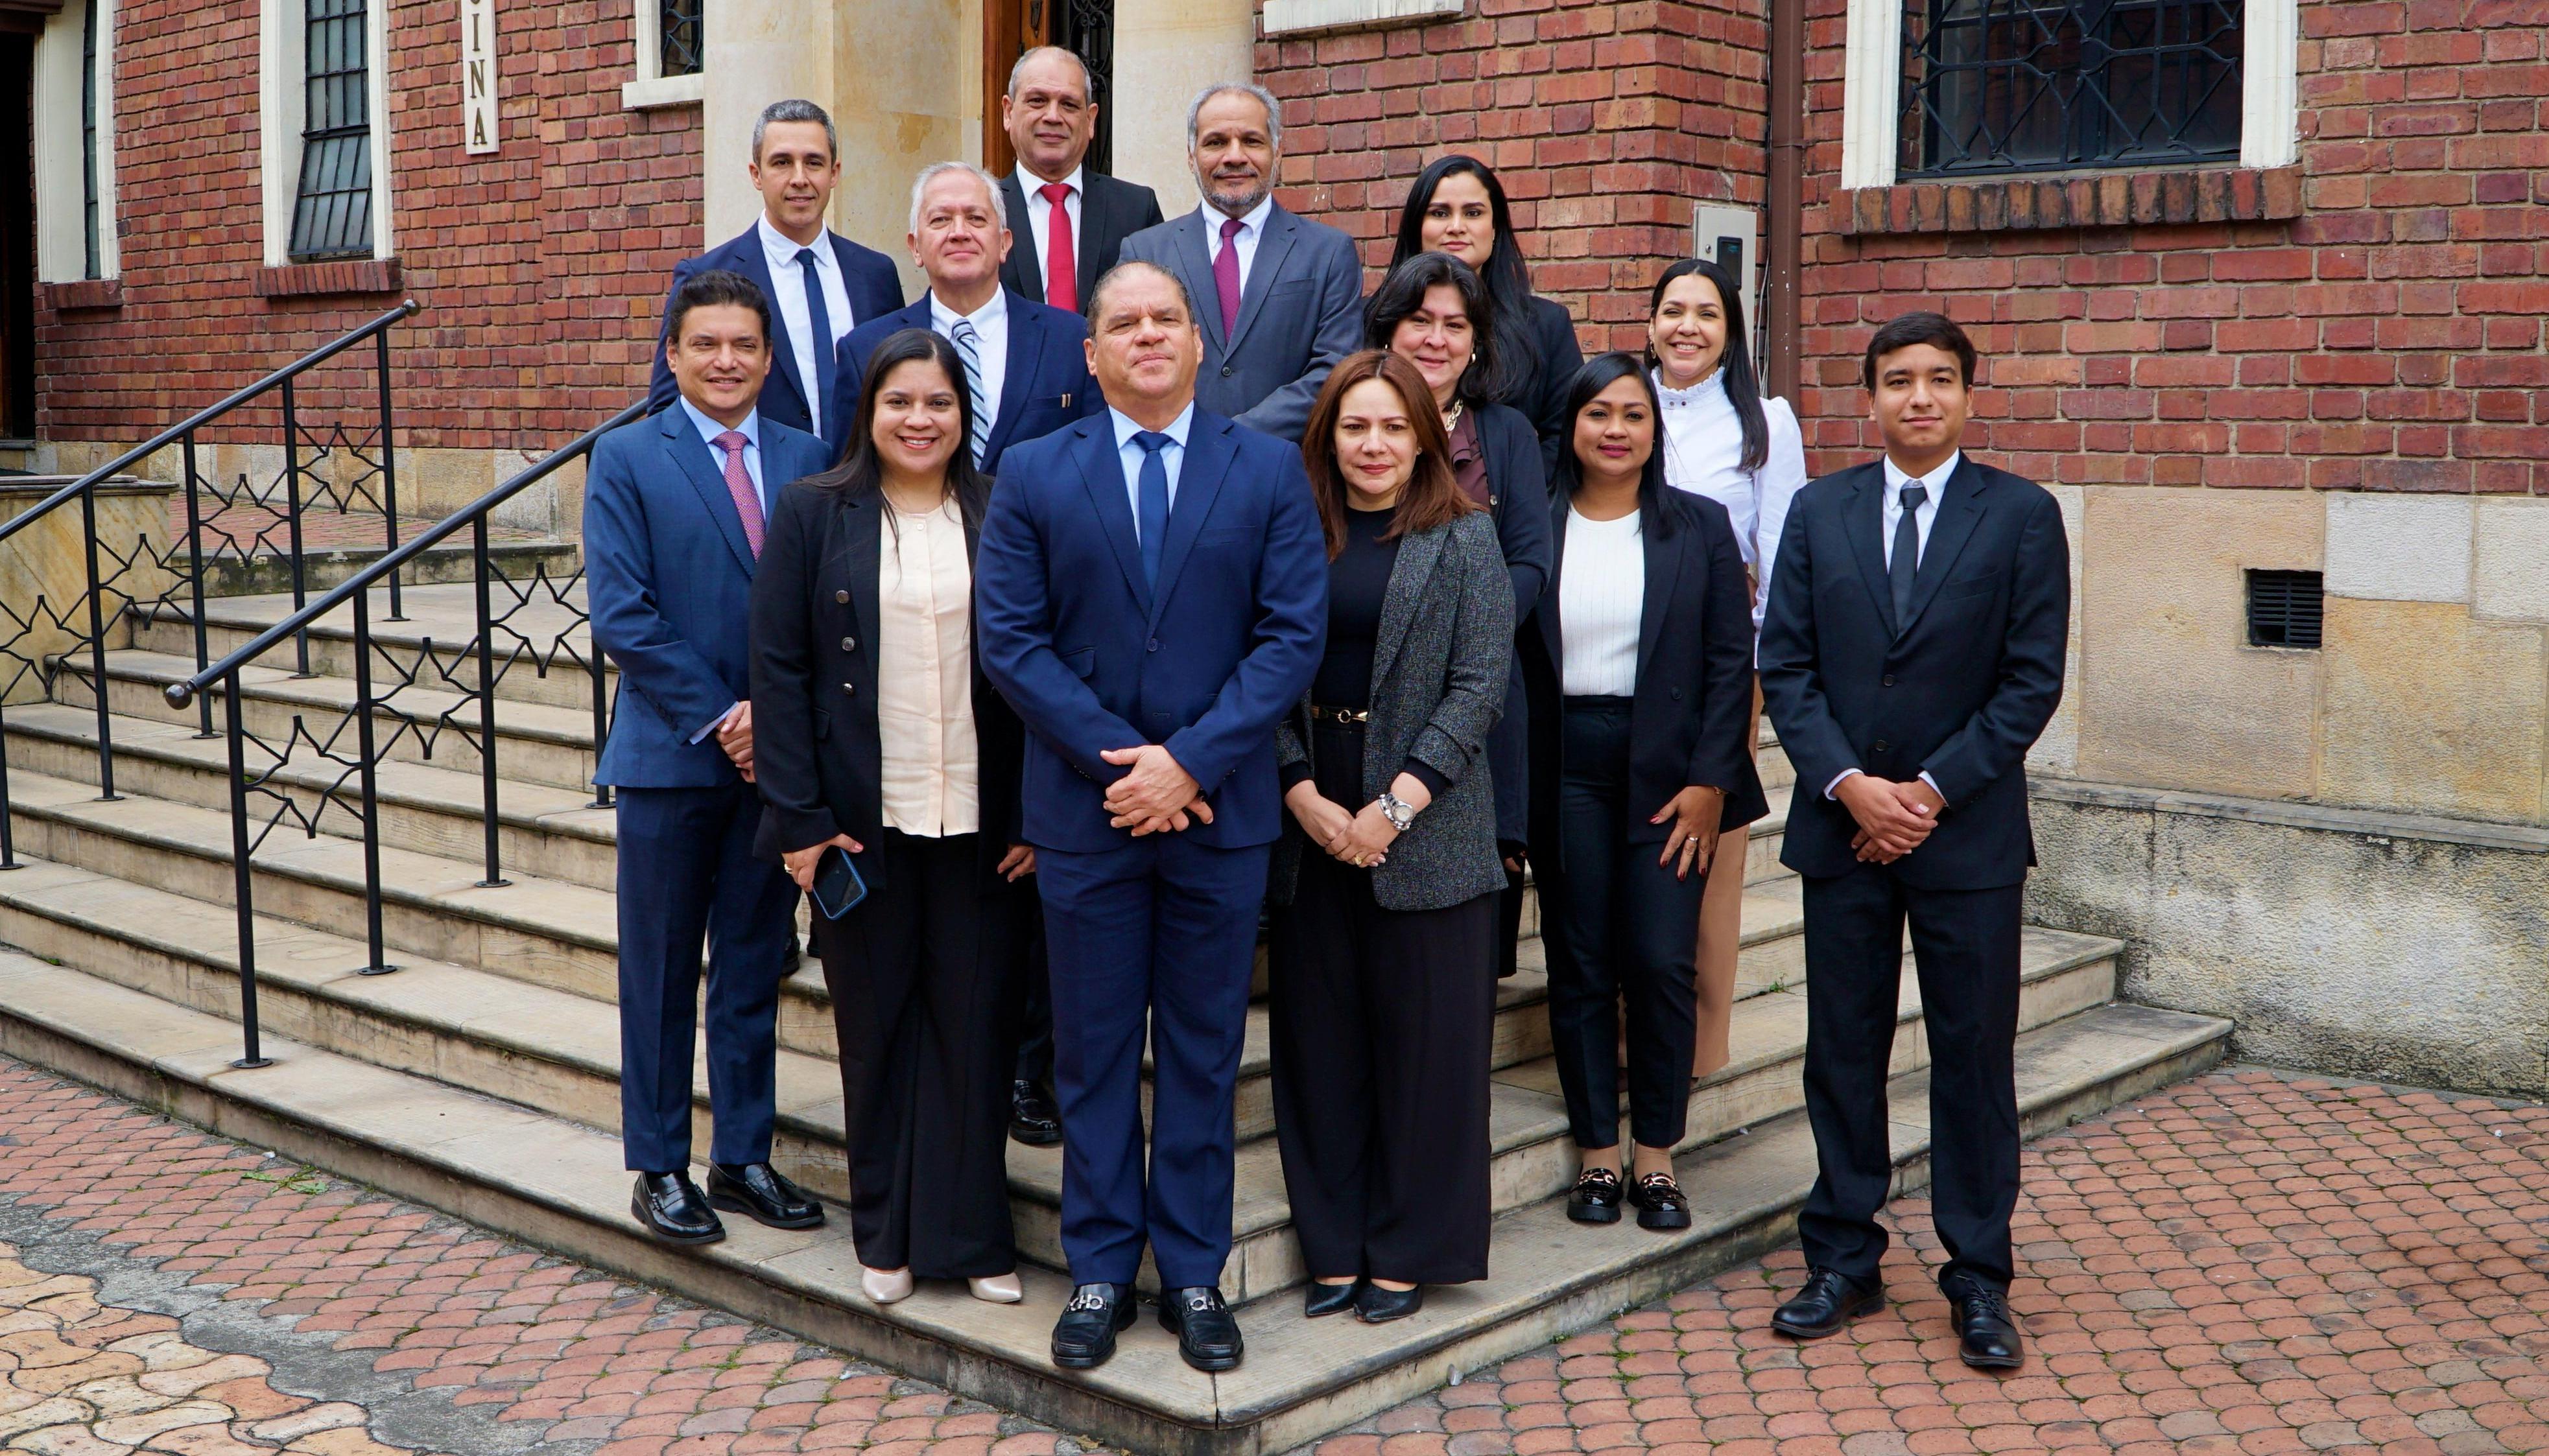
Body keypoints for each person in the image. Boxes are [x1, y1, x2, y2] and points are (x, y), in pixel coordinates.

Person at [975, 260, 1327, 1374]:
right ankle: (1097, 1268)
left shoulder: (1266, 468)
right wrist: (1124, 766)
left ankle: (1190, 1271)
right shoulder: (1034, 470)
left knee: (1202, 1051)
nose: (1145, 336)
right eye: (1122, 323)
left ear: (1195, 341)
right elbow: (1011, 640)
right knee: (1089, 1055)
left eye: (1164, 319)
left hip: (1218, 816)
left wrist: (1189, 763)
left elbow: (1290, 636)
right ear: (1091, 353)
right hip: (1087, 819)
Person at [1757, 312, 2069, 1372]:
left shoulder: (2020, 517)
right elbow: (1785, 666)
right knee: (1842, 1051)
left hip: (1965, 837)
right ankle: (1842, 1257)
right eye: (1897, 380)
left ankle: (1977, 1273)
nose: (1918, 397)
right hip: (1841, 831)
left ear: (1970, 394)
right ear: (1870, 397)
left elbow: (2029, 681)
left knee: (1971, 1057)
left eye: (1939, 378)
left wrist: (1926, 792)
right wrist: (1850, 787)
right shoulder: (1818, 510)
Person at [750, 328, 1037, 1307]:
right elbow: (778, 671)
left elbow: (1039, 666)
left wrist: (1033, 813)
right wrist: (798, 821)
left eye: (938, 403)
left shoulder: (1002, 509)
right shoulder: (811, 510)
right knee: (876, 1033)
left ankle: (974, 1238)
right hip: (857, 827)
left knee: (976, 1030)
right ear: (868, 413)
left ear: (965, 415)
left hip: (983, 823)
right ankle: (885, 1233)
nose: (920, 420)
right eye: (899, 402)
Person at [587, 269, 835, 1245]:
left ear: (768, 359)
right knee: (658, 971)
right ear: (674, 355)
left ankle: (742, 1156)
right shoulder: (626, 455)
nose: (726, 361)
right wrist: (727, 716)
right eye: (706, 344)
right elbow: (624, 614)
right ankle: (658, 1165)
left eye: (743, 345)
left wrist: (778, 723)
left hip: (775, 769)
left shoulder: (809, 456)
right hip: (671, 758)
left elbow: (828, 603)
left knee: (750, 963)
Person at [1267, 351, 1512, 1324]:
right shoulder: (1289, 532)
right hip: (1309, 810)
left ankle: (1407, 1249)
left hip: (1428, 814)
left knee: (1426, 1054)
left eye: (1392, 426)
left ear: (1425, 437)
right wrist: (1297, 790)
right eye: (1354, 426)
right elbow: (1256, 668)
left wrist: (1394, 808)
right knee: (1318, 1046)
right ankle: (1332, 1244)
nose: (1373, 444)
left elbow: (1478, 686)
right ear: (1327, 435)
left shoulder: (1466, 535)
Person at [1521, 353, 1764, 1235]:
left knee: (1661, 961)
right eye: (1599, 413)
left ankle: (1656, 1156)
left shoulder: (1697, 525)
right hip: (1564, 765)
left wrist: (1710, 781)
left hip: (1670, 771)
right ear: (1572, 428)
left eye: (1633, 414)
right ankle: (1597, 1152)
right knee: (1580, 960)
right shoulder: (1534, 523)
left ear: (1655, 431)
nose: (1615, 429)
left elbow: (1729, 661)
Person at [1362, 252, 1552, 980]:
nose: (1436, 339)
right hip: (1363, 688)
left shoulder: (1506, 433)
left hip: (1478, 691)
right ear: (1388, 329)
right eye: (1420, 321)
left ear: (1476, 342)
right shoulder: (1352, 420)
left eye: (1454, 325)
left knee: (1460, 933)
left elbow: (1530, 561)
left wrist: (1467, 633)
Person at [1646, 256, 1810, 1077]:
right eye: (1672, 310)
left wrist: (1762, 667)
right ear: (1649, 324)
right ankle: (1623, 1030)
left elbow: (1779, 548)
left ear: (1730, 330)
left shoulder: (1764, 420)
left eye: (1706, 313)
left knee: (1708, 851)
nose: (1687, 327)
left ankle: (1696, 1043)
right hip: (1620, 661)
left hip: (1719, 665)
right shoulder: (1620, 402)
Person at [1117, 84, 1362, 442]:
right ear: (1191, 156)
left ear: (1278, 152)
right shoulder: (1145, 251)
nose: (1234, 156)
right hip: (1169, 460)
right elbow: (1124, 363)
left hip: (1286, 464)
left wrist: (1233, 436)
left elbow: (1336, 369)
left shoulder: (1328, 253)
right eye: (1216, 142)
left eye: (1251, 141)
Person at [648, 100, 905, 442]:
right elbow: (668, 408)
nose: (799, 179)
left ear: (834, 173)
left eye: (813, 162)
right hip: (753, 473)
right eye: (782, 163)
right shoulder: (705, 274)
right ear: (757, 174)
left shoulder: (876, 274)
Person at [831, 162, 1105, 469]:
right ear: (915, 247)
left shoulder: (1070, 340)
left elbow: (1096, 462)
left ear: (1004, 243)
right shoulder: (864, 350)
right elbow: (849, 478)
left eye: (976, 218)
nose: (959, 233)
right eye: (941, 219)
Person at [1390, 156, 1583, 471]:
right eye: (1440, 213)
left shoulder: (1547, 325)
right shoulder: (1372, 317)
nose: (1456, 227)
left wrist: (1516, 488)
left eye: (1473, 213)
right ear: (1417, 227)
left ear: (1495, 229)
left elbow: (1564, 436)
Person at [996, 46, 1167, 314]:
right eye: (1037, 101)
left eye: (1069, 104)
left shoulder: (1136, 209)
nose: (1053, 116)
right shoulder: (980, 212)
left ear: (1090, 120)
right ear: (1008, 112)